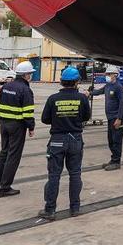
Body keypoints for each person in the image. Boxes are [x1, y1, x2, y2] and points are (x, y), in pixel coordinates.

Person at [39, 66, 91, 220]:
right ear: (77, 82)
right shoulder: (82, 98)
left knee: (54, 175)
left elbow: (45, 119)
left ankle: (50, 210)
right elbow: (86, 117)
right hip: (75, 139)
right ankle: (75, 208)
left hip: (57, 140)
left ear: (62, 82)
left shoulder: (53, 99)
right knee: (75, 174)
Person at [0, 61, 36, 197]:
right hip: (17, 126)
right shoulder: (25, 90)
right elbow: (28, 112)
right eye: (30, 74)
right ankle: (5, 188)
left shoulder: (5, 87)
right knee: (13, 156)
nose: (31, 76)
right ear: (26, 75)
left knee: (3, 153)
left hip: (4, 124)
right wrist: (31, 127)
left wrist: (1, 121)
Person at [101, 66, 123, 171]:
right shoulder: (108, 86)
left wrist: (119, 118)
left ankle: (116, 161)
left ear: (115, 75)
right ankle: (113, 159)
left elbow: (122, 103)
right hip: (110, 117)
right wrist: (89, 93)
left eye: (109, 74)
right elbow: (99, 91)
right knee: (111, 140)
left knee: (116, 140)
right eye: (106, 74)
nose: (107, 76)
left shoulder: (118, 87)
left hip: (117, 117)